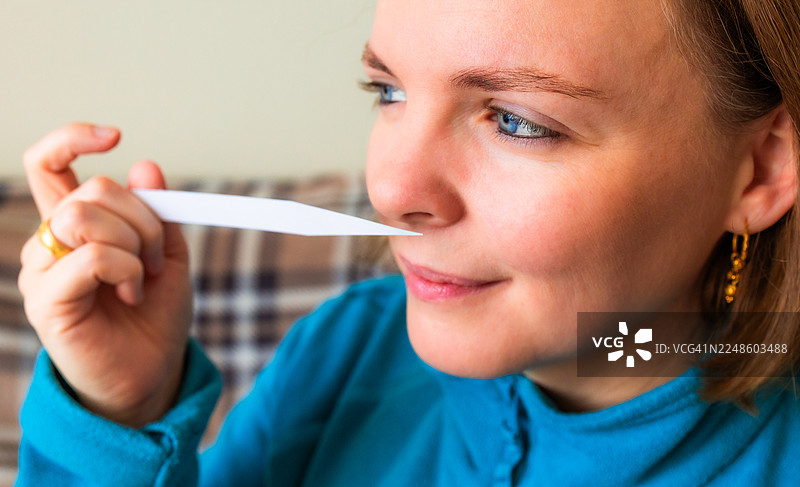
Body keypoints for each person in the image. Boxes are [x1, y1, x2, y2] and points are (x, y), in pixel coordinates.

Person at [15, 0, 800, 485]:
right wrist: (114, 415)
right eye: (388, 90)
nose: (393, 189)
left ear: (760, 168)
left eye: (518, 121)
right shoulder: (350, 351)